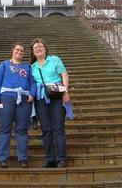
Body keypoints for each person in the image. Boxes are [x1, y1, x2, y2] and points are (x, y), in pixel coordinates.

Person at [0, 43, 36, 168]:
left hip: (23, 99)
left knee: (22, 129)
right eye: (17, 50)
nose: (19, 52)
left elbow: (32, 82)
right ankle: (2, 158)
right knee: (5, 127)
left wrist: (32, 94)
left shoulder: (27, 66)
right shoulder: (4, 64)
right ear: (12, 50)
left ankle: (23, 158)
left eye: (22, 51)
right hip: (6, 97)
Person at [30, 38, 69, 168]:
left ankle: (61, 158)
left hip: (57, 96)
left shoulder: (55, 59)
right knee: (46, 129)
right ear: (33, 52)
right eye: (35, 48)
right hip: (41, 99)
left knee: (58, 128)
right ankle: (50, 159)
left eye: (40, 46)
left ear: (46, 49)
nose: (38, 49)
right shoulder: (32, 67)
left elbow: (64, 74)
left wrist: (66, 92)